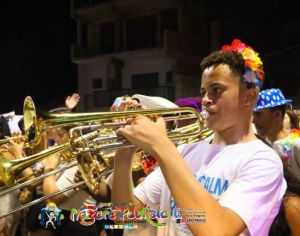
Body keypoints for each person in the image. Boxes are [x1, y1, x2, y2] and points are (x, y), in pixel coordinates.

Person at [112, 39, 286, 235]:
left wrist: (161, 146)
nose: (204, 100)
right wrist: (124, 156)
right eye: (203, 91)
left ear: (249, 96)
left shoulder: (263, 160)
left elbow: (216, 230)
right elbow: (124, 216)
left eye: (216, 90)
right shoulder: (185, 151)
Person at [253, 88, 300, 181]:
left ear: (277, 114)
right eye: (253, 114)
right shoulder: (260, 146)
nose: (253, 120)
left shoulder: (296, 144)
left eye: (259, 114)